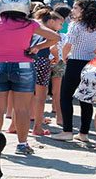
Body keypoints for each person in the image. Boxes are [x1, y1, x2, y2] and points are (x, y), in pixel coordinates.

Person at [0, 0, 60, 155]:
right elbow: (55, 37)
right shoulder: (30, 24)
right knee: (22, 109)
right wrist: (37, 48)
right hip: (23, 66)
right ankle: (22, 144)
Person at [50, 0, 96, 142]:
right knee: (86, 99)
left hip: (75, 62)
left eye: (75, 8)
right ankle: (84, 133)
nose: (72, 10)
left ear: (83, 10)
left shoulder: (76, 25)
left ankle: (67, 131)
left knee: (66, 96)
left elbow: (68, 44)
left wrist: (64, 57)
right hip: (91, 64)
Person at [30, 8, 65, 136]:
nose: (61, 26)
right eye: (60, 23)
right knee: (41, 96)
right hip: (42, 62)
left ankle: (14, 126)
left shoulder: (32, 29)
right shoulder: (49, 32)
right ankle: (37, 127)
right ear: (50, 21)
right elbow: (54, 46)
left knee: (27, 94)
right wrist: (56, 56)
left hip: (27, 61)